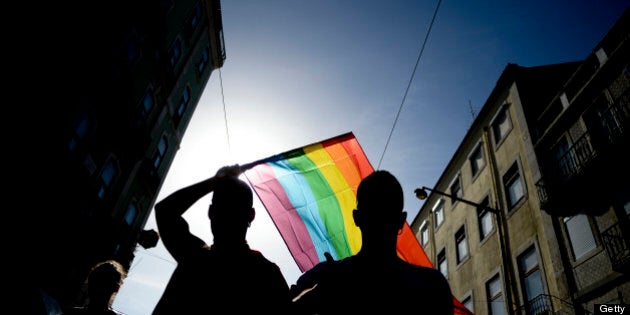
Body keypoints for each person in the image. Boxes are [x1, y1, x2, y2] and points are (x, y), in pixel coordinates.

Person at [290, 170, 454, 315]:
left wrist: (316, 295)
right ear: (401, 220)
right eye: (373, 210)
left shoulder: (432, 286)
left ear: (356, 217)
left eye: (385, 210)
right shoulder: (431, 286)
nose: (379, 220)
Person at [152, 165, 291, 314]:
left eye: (233, 208)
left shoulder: (194, 257)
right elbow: (164, 211)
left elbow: (165, 211)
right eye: (223, 207)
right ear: (251, 215)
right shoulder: (267, 274)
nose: (227, 215)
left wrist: (215, 181)